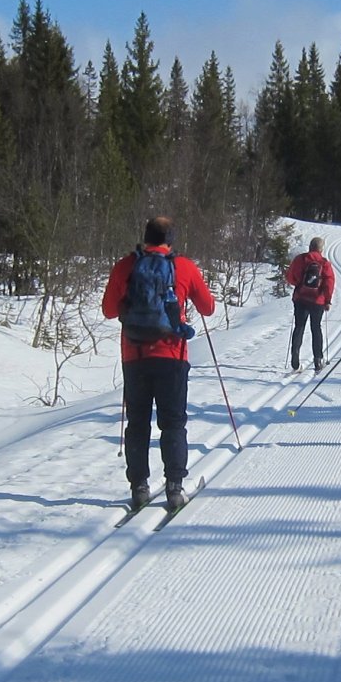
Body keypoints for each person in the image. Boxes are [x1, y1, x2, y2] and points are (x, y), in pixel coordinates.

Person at [102, 216, 217, 513]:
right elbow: (208, 307)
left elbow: (108, 311)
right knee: (173, 422)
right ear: (170, 240)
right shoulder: (184, 267)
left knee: (138, 423)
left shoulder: (126, 266)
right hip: (172, 356)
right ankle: (174, 487)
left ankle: (139, 487)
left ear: (146, 237)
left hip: (134, 355)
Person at [283, 236, 336, 372]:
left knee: (299, 326)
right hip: (317, 301)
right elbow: (329, 283)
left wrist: (299, 285)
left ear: (310, 247)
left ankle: (295, 358)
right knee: (316, 328)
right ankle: (318, 359)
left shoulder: (300, 259)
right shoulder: (324, 263)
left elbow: (290, 277)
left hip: (300, 298)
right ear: (321, 249)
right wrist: (327, 300)